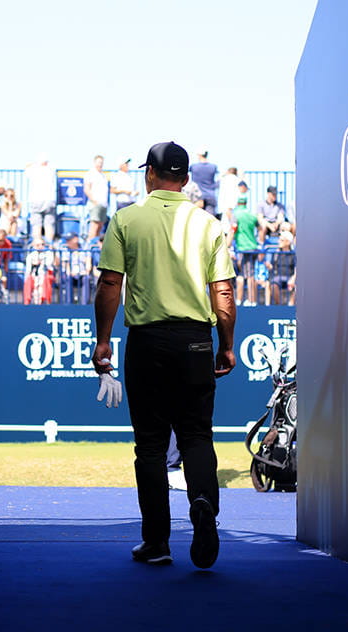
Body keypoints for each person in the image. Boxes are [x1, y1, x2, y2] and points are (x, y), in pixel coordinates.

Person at [93, 140, 236, 569]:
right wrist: (226, 343)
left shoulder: (126, 219)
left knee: (151, 447)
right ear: (187, 179)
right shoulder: (208, 224)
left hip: (148, 343)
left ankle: (157, 543)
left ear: (149, 175)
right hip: (195, 340)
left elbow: (109, 285)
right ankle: (204, 504)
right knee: (196, 435)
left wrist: (103, 340)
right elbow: (223, 292)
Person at [231, 194, 261, 307]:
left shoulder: (236, 214)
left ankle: (251, 301)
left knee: (248, 275)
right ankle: (250, 300)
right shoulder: (252, 215)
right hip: (253, 247)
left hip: (244, 249)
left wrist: (227, 245)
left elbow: (232, 230)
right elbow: (260, 229)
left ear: (238, 203)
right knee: (249, 273)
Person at [25, 153, 58, 244]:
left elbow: (27, 166)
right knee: (49, 224)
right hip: (50, 199)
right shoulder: (51, 169)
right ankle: (49, 245)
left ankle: (37, 244)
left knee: (36, 224)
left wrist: (35, 164)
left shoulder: (33, 170)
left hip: (36, 199)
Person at [58, 232, 92, 304]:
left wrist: (86, 272)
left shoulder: (84, 248)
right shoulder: (65, 249)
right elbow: (66, 265)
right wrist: (70, 273)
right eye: (67, 240)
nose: (67, 242)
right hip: (70, 273)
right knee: (68, 278)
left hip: (82, 273)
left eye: (69, 240)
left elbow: (88, 263)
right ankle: (69, 303)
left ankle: (85, 304)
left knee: (87, 278)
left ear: (76, 239)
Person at [264, 230, 297, 306]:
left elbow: (297, 268)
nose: (279, 241)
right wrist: (269, 266)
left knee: (298, 285)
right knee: (273, 284)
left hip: (290, 278)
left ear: (288, 242)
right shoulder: (276, 254)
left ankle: (290, 305)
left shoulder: (293, 254)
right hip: (278, 278)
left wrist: (293, 279)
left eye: (281, 240)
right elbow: (273, 267)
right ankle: (279, 306)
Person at [83, 155, 109, 241]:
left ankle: (95, 246)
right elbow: (87, 189)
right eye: (98, 162)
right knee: (94, 226)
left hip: (103, 204)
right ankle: (90, 247)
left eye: (101, 162)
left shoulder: (103, 175)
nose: (100, 164)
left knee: (100, 226)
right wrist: (94, 200)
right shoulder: (90, 174)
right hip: (95, 204)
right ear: (94, 163)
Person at [23, 237, 55, 305]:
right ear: (34, 246)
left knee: (46, 280)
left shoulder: (49, 254)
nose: (40, 247)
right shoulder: (30, 256)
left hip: (45, 275)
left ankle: (45, 301)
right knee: (28, 281)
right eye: (38, 245)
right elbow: (28, 270)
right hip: (34, 276)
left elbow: (49, 264)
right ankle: (27, 303)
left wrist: (41, 261)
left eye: (42, 244)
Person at [189, 147, 219, 217]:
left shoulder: (193, 167)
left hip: (197, 197)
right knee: (210, 220)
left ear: (199, 155)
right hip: (210, 195)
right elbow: (218, 180)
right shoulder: (213, 167)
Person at [218, 167, 243, 239]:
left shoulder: (224, 179)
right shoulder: (237, 180)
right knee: (231, 228)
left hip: (225, 207)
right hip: (233, 207)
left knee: (227, 228)